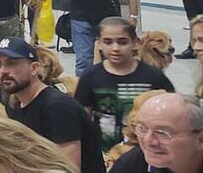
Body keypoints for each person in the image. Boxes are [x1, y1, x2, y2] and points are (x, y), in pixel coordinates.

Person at [0, 37, 105, 173]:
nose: (3, 71)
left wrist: (14, 169)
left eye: (12, 63)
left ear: (34, 68)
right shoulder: (14, 104)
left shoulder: (58, 108)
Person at [74, 17, 175, 152]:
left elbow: (172, 115)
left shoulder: (154, 77)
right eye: (108, 42)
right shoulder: (90, 76)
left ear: (135, 43)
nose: (115, 48)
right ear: (99, 44)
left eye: (122, 42)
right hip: (102, 152)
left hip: (143, 152)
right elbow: (80, 118)